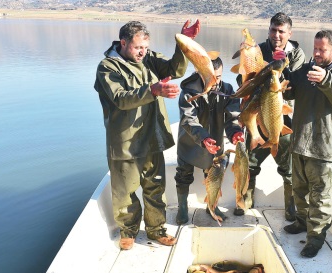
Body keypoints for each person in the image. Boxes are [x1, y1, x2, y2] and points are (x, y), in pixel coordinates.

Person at [94, 19, 200, 250]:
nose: (142, 52)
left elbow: (176, 69)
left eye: (145, 47)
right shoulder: (108, 67)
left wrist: (184, 43)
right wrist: (154, 90)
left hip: (152, 136)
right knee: (125, 191)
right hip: (125, 141)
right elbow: (121, 98)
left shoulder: (149, 59)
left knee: (155, 187)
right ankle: (128, 231)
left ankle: (156, 229)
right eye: (137, 47)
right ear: (123, 43)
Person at [275, 30, 332, 258]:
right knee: (299, 190)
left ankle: (315, 239)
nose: (317, 53)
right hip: (299, 143)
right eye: (315, 49)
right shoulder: (306, 70)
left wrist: (326, 80)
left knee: (320, 197)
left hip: (323, 149)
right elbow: (288, 92)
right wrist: (280, 69)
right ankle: (301, 222)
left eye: (322, 49)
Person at [231, 12, 306, 220]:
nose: (277, 35)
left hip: (282, 119)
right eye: (273, 30)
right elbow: (242, 81)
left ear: (289, 33)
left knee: (287, 167)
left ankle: (290, 206)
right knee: (251, 161)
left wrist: (281, 68)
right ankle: (245, 199)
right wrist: (246, 59)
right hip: (255, 115)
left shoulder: (297, 54)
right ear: (269, 30)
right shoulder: (259, 50)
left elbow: (295, 86)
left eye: (281, 31)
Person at [174, 57, 242, 225]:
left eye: (218, 77)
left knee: (215, 176)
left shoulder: (227, 89)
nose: (215, 81)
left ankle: (212, 204)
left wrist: (235, 132)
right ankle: (182, 207)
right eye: (211, 77)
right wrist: (203, 138)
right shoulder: (189, 91)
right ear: (200, 72)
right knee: (183, 174)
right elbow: (188, 119)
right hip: (190, 140)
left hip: (216, 141)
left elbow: (232, 117)